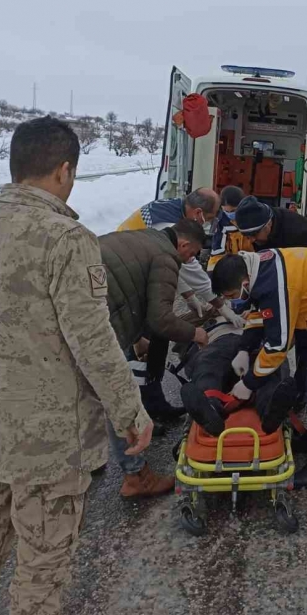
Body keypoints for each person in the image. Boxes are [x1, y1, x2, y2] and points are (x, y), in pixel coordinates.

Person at [0, 117, 151, 615]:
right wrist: (131, 412)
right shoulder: (65, 239)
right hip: (47, 440)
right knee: (40, 566)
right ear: (63, 171)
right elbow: (93, 341)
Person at [199, 247, 307, 488]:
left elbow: (277, 346)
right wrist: (244, 348)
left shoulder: (275, 285)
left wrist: (249, 383)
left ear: (243, 282)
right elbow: (259, 313)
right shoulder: (255, 268)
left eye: (232, 294)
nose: (232, 301)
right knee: (306, 373)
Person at [99, 218, 210, 497]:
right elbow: (160, 319)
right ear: (183, 244)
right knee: (118, 396)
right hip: (94, 326)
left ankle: (85, 460)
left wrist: (136, 338)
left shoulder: (147, 237)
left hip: (81, 312)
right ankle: (136, 477)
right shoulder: (167, 256)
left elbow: (124, 287)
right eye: (193, 253)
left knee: (83, 394)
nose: (190, 259)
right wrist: (196, 334)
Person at [208, 194, 307, 413]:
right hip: (291, 286)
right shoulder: (261, 235)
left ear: (268, 224)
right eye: (248, 236)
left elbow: (280, 336)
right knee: (275, 328)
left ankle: (301, 396)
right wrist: (245, 347)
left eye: (255, 235)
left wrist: (249, 383)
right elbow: (262, 281)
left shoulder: (298, 233)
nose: (253, 240)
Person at [118, 187, 227, 415]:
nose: (207, 223)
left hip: (138, 273)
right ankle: (137, 415)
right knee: (139, 350)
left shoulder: (175, 212)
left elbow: (175, 263)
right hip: (128, 282)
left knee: (155, 342)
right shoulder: (166, 226)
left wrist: (189, 297)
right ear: (198, 213)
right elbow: (186, 265)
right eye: (208, 218)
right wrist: (219, 305)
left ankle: (155, 405)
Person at [207, 185, 245, 272]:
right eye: (226, 211)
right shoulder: (220, 223)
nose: (230, 214)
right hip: (234, 267)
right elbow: (217, 252)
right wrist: (212, 274)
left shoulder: (254, 218)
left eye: (233, 211)